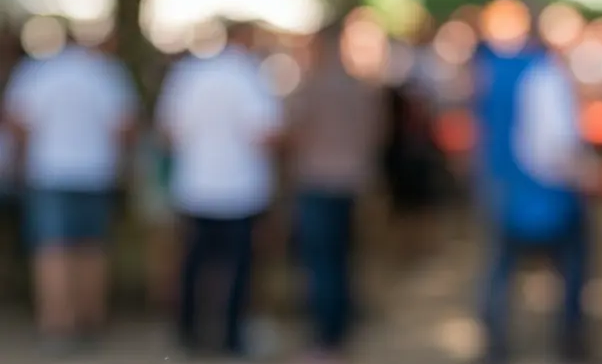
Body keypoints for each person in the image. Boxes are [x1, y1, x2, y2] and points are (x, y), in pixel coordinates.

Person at [3, 32, 138, 354]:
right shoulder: (106, 71)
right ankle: (90, 319)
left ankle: (57, 323)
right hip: (96, 171)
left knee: (52, 249)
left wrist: (22, 159)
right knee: (92, 247)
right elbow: (125, 125)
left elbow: (16, 121)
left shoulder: (37, 71)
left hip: (49, 171)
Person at [157, 22, 284, 358]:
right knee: (238, 266)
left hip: (195, 185)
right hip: (239, 189)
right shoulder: (250, 76)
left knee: (194, 262)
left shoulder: (188, 73)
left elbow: (168, 130)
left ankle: (188, 331)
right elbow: (267, 133)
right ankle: (230, 335)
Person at [475, 1, 591, 364]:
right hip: (545, 189)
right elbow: (556, 142)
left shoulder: (492, 69)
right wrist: (584, 172)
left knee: (500, 268)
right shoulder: (545, 73)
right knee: (571, 266)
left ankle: (495, 341)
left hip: (502, 185)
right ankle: (570, 338)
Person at [285, 21, 385, 363]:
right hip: (351, 181)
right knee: (341, 258)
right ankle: (339, 329)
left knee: (321, 263)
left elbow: (295, 132)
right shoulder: (359, 87)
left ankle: (325, 339)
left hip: (318, 181)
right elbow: (375, 133)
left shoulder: (312, 87)